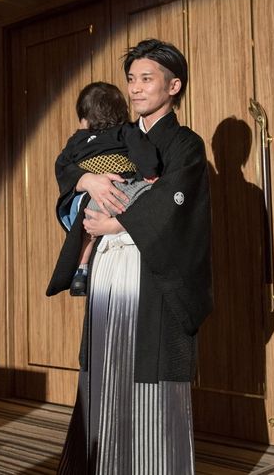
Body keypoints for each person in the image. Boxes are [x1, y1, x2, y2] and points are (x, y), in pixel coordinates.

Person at [47, 39, 213, 475]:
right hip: (107, 266)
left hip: (152, 270)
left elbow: (176, 204)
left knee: (148, 372)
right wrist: (86, 181)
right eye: (131, 79)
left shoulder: (186, 145)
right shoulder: (115, 138)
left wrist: (118, 224)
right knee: (104, 365)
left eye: (147, 79)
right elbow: (70, 172)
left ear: (174, 86)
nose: (136, 88)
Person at [53, 81, 160, 296]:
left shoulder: (77, 139)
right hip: (124, 191)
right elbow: (144, 154)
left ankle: (81, 271)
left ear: (85, 118)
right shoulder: (127, 130)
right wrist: (151, 174)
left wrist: (84, 179)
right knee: (154, 195)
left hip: (90, 203)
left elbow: (61, 165)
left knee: (88, 229)